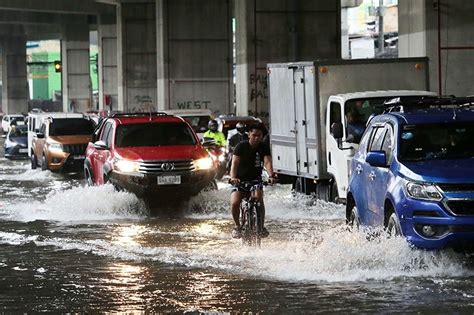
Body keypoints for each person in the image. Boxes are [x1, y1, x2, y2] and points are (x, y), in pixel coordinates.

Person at [229, 123, 277, 239]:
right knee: (235, 203)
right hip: (239, 180)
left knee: (259, 197)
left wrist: (271, 176)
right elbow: (234, 164)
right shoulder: (240, 146)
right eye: (254, 135)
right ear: (249, 134)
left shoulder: (264, 147)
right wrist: (233, 178)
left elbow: (267, 162)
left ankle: (261, 226)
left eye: (259, 135)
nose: (256, 138)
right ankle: (237, 226)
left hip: (255, 180)